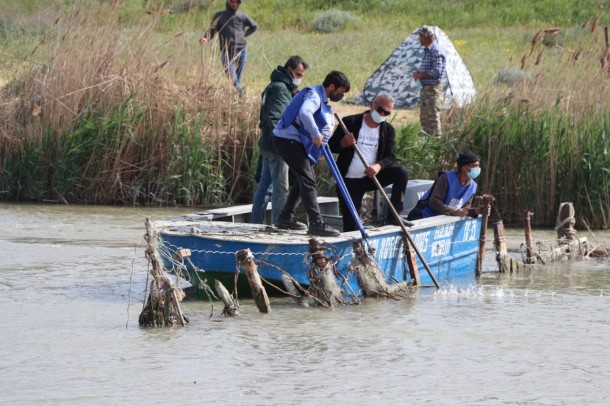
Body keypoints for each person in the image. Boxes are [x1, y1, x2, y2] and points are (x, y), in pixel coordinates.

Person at [272, 70, 351, 237]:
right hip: (287, 140)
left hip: (293, 141)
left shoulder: (320, 98)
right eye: (340, 92)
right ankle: (316, 223)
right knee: (308, 180)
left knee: (303, 179)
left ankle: (285, 217)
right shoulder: (314, 96)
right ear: (331, 86)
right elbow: (305, 113)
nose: (340, 96)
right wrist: (316, 134)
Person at [328, 92, 410, 232]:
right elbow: (331, 146)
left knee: (401, 172)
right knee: (351, 225)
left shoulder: (388, 130)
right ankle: (354, 249)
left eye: (387, 113)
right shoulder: (350, 122)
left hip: (371, 177)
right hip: (349, 181)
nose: (382, 114)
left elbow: (391, 157)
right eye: (380, 110)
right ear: (372, 105)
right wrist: (343, 143)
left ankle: (394, 215)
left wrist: (379, 166)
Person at [251, 56, 309, 225]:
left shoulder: (275, 86)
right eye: (298, 74)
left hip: (267, 143)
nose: (299, 78)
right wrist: (281, 145)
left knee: (264, 187)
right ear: (289, 70)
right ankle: (280, 223)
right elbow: (274, 119)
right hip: (276, 146)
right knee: (280, 187)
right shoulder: (280, 89)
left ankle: (255, 223)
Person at [199, 0, 258, 96]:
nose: (234, 4)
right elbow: (212, 30)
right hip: (227, 52)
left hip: (241, 51)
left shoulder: (241, 16)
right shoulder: (220, 16)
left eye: (236, 2)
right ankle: (241, 93)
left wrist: (245, 34)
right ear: (228, 2)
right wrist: (206, 38)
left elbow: (254, 26)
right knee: (232, 78)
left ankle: (236, 96)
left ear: (239, 4)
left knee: (236, 80)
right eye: (232, 2)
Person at [408, 150, 481, 220]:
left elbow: (465, 207)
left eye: (478, 166)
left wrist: (476, 211)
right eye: (475, 166)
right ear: (465, 167)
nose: (478, 169)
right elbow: (434, 201)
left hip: (443, 220)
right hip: (423, 216)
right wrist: (453, 211)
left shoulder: (473, 186)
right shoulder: (446, 178)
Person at [412, 25, 446, 137]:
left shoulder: (436, 50)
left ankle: (436, 144)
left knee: (433, 119)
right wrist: (419, 74)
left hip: (433, 90)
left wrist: (421, 75)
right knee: (424, 118)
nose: (419, 39)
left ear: (427, 37)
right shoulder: (428, 50)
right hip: (426, 89)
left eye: (421, 36)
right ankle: (426, 145)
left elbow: (437, 70)